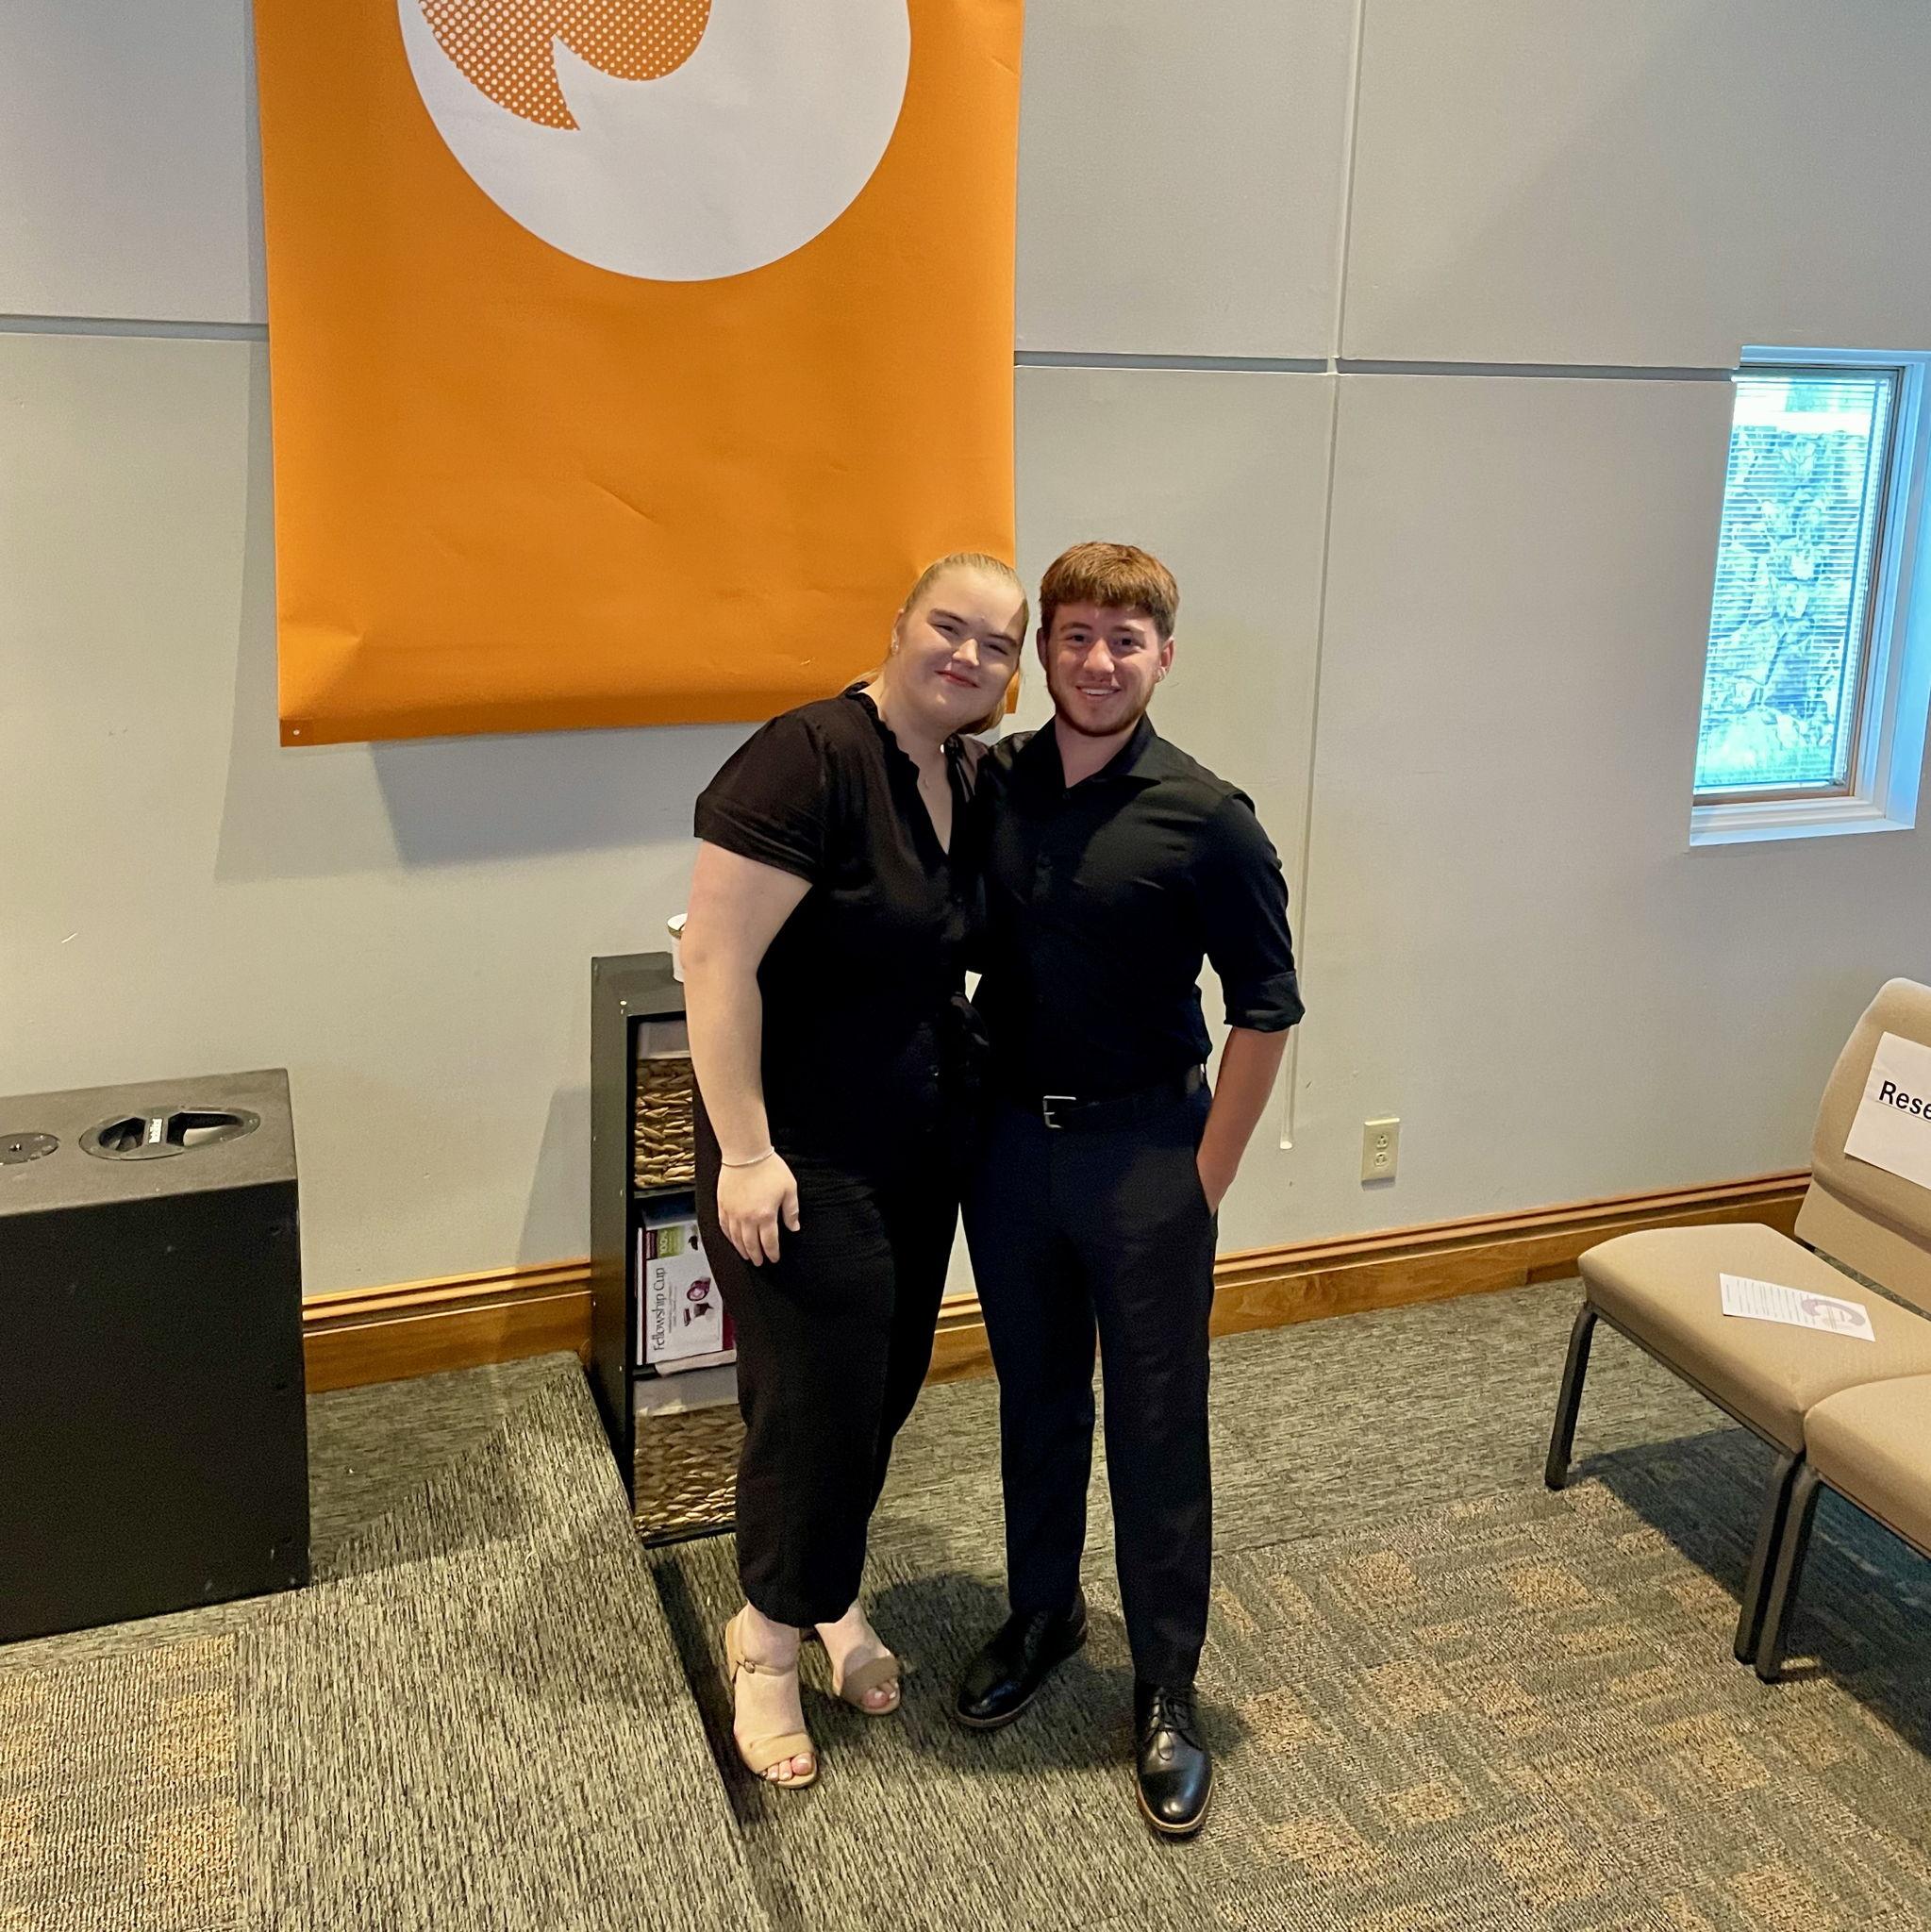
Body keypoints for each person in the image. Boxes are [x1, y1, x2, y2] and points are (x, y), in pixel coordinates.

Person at [955, 541, 1302, 1839]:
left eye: (1126, 640)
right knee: (1036, 1397)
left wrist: (1206, 1177)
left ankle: (1165, 1685)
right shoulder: (991, 784)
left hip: (1149, 1154)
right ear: (1043, 651)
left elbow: (1266, 1008)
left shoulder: (1208, 817)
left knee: (1159, 1424)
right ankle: (1044, 1614)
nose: (1098, 662)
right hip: (1010, 1151)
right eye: (1076, 636)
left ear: (1164, 657)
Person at [681, 553, 1027, 1790]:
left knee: (879, 1388)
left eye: (998, 645)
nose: (970, 657)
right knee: (818, 1402)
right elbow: (713, 959)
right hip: (797, 1153)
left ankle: (822, 1592)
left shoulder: (967, 773)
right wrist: (746, 1150)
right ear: (899, 625)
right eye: (950, 626)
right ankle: (768, 1644)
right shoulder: (810, 756)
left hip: (917, 1147)